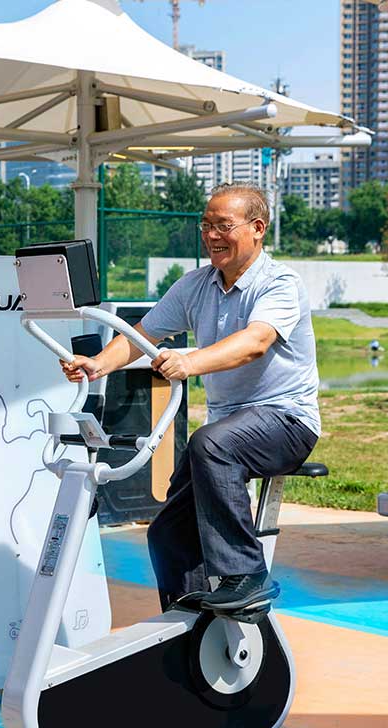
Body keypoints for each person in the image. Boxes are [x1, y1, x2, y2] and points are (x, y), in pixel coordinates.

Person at [60, 183, 320, 615]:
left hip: (286, 421)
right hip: (228, 432)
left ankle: (247, 576)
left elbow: (255, 342)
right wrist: (98, 364)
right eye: (206, 225)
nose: (211, 235)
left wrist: (190, 361)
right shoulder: (196, 285)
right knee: (168, 531)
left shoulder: (280, 283)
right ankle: (189, 619)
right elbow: (143, 335)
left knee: (210, 443)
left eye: (223, 225)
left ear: (257, 228)